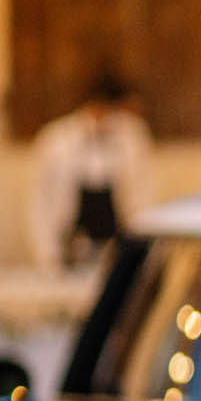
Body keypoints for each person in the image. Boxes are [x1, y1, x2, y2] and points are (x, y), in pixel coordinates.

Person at [26, 73, 153, 270]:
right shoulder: (57, 140)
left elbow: (141, 196)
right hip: (71, 246)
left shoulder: (132, 139)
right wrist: (48, 252)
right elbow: (40, 201)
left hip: (115, 248)